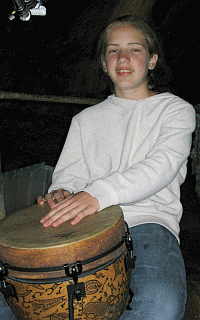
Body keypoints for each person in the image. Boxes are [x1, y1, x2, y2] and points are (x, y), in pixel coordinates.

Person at [0, 15, 196, 320]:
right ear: (104, 63)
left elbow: (161, 167)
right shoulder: (84, 120)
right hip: (85, 222)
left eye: (135, 49)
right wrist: (60, 193)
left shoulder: (176, 111)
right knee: (9, 297)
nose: (123, 58)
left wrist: (96, 194)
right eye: (113, 50)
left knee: (161, 305)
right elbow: (69, 176)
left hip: (148, 223)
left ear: (153, 60)